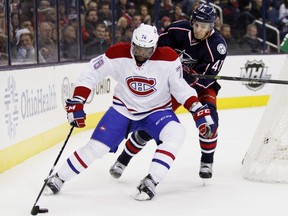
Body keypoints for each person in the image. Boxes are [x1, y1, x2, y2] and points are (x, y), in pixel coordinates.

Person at [45, 23, 216, 201]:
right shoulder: (118, 52)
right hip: (122, 109)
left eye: (146, 51)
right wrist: (78, 100)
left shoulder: (168, 58)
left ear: (155, 47)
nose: (141, 55)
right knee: (96, 148)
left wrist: (196, 108)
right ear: (132, 44)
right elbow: (91, 72)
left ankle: (151, 181)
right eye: (138, 49)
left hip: (156, 111)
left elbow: (180, 88)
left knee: (177, 133)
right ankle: (58, 178)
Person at [110, 3, 227, 180]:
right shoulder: (177, 30)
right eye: (196, 24)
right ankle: (123, 159)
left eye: (203, 27)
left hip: (202, 88)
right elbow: (155, 52)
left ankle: (207, 161)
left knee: (210, 122)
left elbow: (208, 77)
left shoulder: (218, 46)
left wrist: (192, 77)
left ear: (211, 27)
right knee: (151, 124)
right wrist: (174, 74)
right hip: (173, 85)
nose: (198, 29)